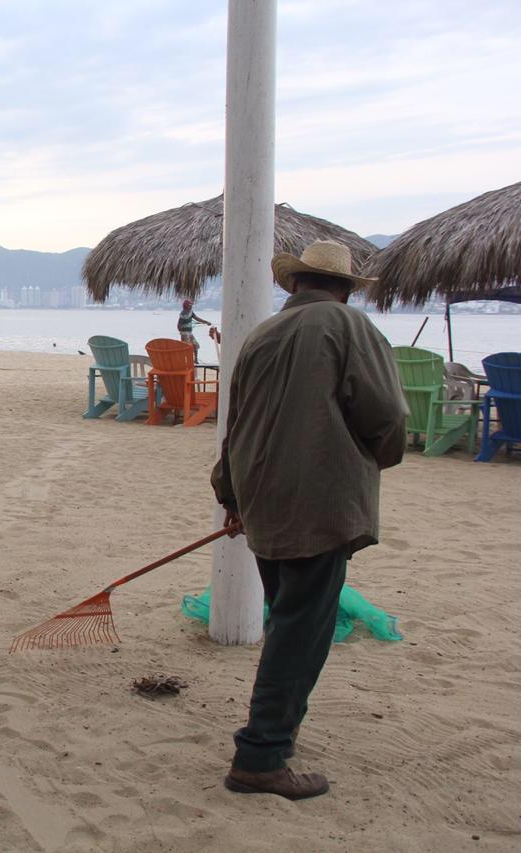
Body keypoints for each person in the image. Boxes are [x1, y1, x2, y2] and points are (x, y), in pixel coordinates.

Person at [211, 241, 407, 800]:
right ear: (344, 288)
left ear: (294, 284)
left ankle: (277, 735)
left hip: (260, 497)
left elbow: (236, 424)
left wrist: (230, 494)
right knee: (301, 629)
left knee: (289, 618)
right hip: (318, 500)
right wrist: (375, 456)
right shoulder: (349, 326)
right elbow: (387, 415)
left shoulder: (261, 335)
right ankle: (261, 756)